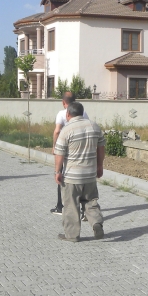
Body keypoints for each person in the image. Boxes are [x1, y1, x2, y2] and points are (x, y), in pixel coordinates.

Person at [53, 102, 105, 242]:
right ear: (82, 113)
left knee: (71, 206)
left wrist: (57, 171)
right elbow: (101, 147)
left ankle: (72, 235)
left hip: (72, 177)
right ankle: (96, 223)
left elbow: (59, 154)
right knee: (90, 201)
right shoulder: (95, 126)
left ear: (68, 114)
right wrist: (99, 166)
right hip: (90, 174)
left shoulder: (66, 130)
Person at [50, 92, 89, 216]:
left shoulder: (62, 113)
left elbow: (57, 131)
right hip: (81, 149)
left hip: (65, 149)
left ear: (63, 102)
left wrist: (54, 146)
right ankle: (84, 210)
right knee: (82, 180)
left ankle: (61, 206)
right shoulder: (83, 112)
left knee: (61, 176)